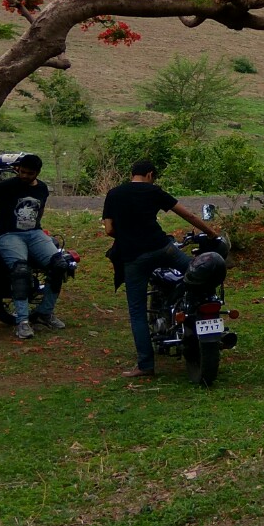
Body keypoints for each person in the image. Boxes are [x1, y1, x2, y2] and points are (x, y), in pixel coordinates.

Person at [102, 158, 216, 379]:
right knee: (197, 273)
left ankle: (145, 365)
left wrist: (128, 236)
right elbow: (188, 215)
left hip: (133, 258)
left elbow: (108, 229)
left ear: (132, 174)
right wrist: (211, 233)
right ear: (151, 175)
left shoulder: (114, 194)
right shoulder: (153, 191)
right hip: (162, 249)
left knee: (137, 312)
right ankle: (201, 307)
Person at [0, 154, 65, 339]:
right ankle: (22, 321)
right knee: (20, 270)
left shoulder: (42, 188)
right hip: (9, 234)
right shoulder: (7, 186)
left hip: (34, 233)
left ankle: (44, 312)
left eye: (29, 173)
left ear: (37, 173)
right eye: (21, 171)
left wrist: (36, 228)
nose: (24, 176)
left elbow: (39, 210)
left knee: (59, 265)